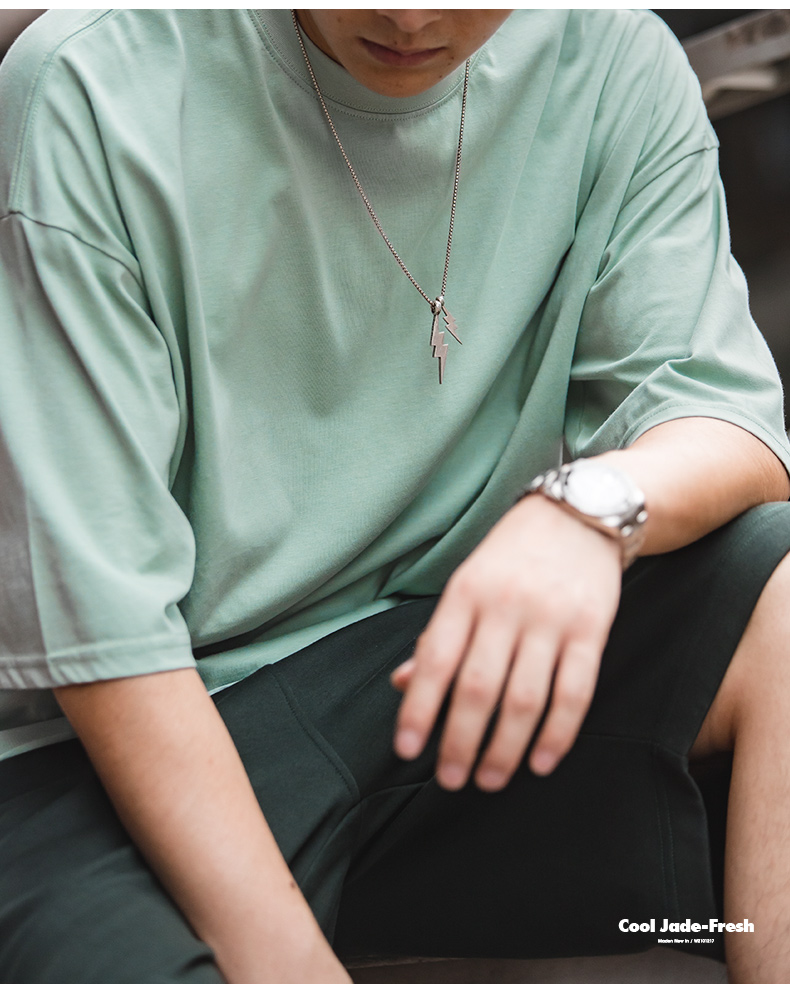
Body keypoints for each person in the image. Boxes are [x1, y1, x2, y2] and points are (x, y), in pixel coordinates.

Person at [1, 8, 790, 984]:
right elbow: (105, 623)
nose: (411, 17)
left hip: (433, 673)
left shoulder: (609, 56)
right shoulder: (91, 82)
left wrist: (581, 510)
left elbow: (724, 414)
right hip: (124, 734)